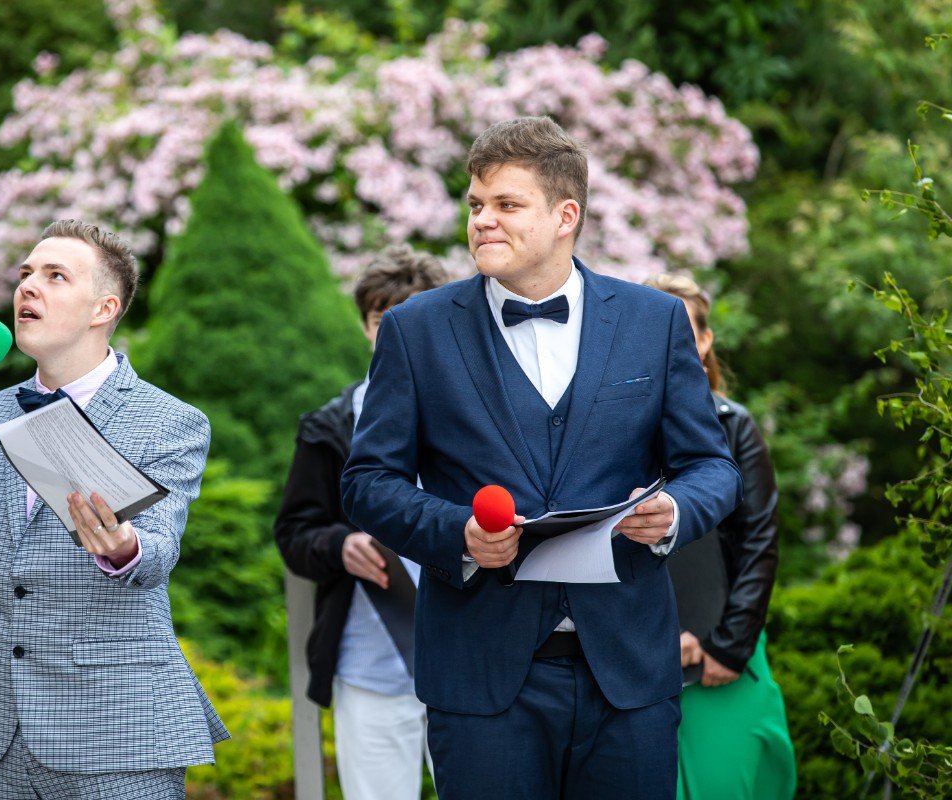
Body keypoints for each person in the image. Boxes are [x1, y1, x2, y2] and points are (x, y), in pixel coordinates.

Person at [340, 116, 742, 799]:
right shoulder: (416, 329)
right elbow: (367, 482)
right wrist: (458, 534)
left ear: (565, 216)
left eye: (506, 204)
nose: (482, 221)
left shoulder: (654, 321)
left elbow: (714, 467)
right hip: (479, 676)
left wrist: (674, 510)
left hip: (629, 676)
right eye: (475, 204)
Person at [0, 220, 228, 799]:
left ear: (103, 309)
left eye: (55, 276)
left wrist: (125, 548)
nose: (27, 286)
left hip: (119, 730)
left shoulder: (169, 421)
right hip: (0, 729)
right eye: (25, 274)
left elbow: (158, 550)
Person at [274, 244, 448, 800]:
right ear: (365, 326)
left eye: (412, 318)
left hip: (469, 656)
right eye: (381, 320)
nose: (396, 333)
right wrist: (340, 545)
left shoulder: (483, 416)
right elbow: (294, 533)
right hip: (369, 663)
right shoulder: (329, 426)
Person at [644, 273, 797, 800]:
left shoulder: (735, 428)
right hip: (636, 662)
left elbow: (758, 546)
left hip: (721, 656)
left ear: (706, 341)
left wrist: (727, 649)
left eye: (681, 330)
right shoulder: (606, 431)